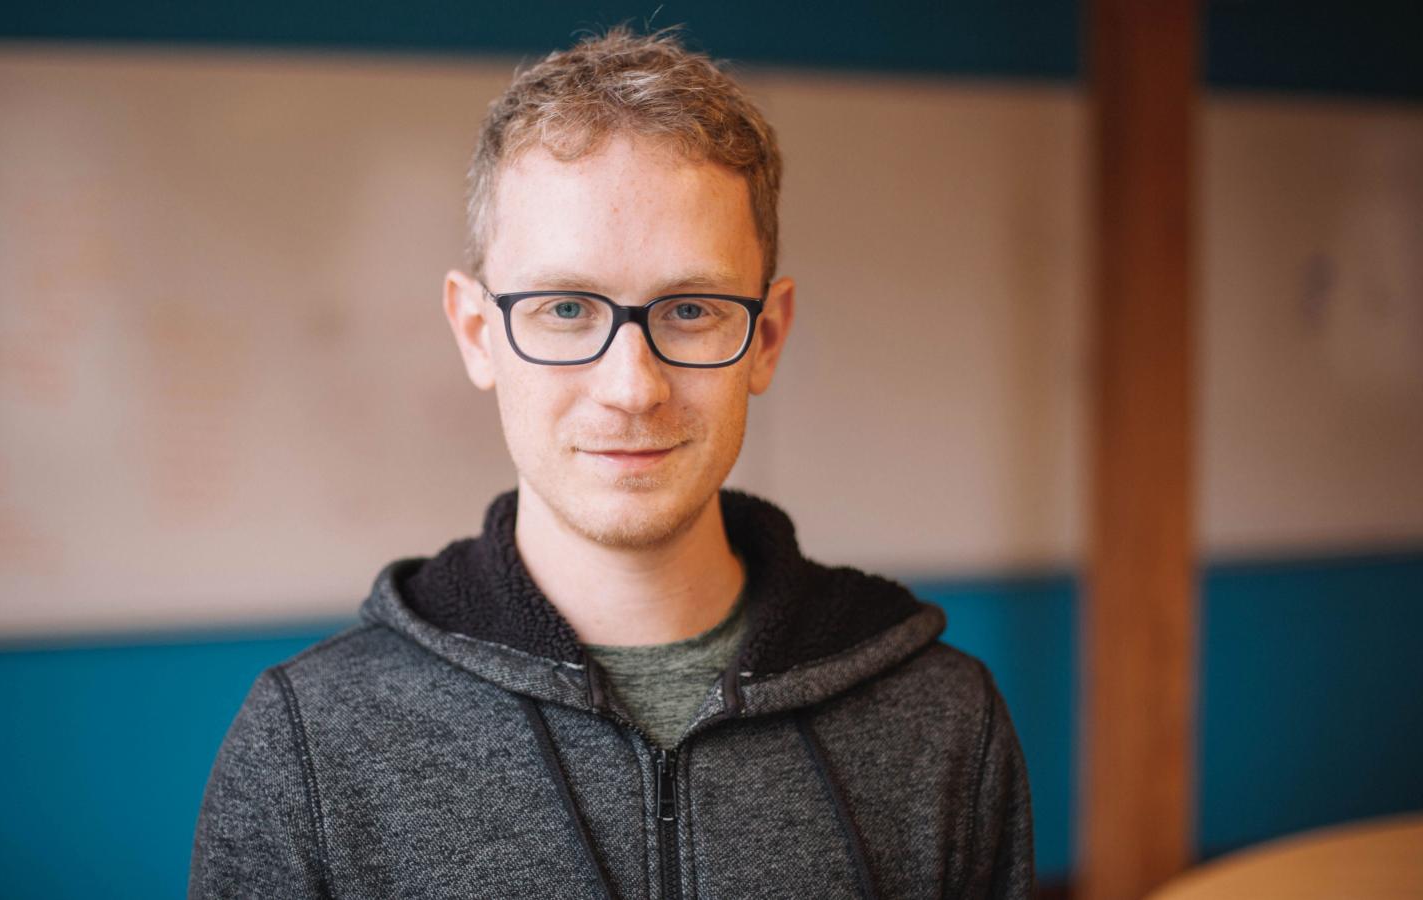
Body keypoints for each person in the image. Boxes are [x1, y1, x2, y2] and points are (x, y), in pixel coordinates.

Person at [190, 26, 1032, 900]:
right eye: (565, 308)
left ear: (767, 337)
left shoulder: (942, 722)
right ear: (477, 333)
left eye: (692, 309)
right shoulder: (310, 744)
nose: (632, 388)